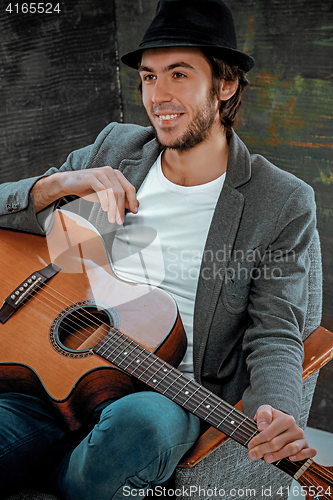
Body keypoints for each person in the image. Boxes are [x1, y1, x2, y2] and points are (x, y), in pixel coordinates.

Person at [0, 0, 318, 499]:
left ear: (226, 84)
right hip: (52, 373)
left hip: (166, 394)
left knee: (138, 428)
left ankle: (57, 476)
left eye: (178, 74)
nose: (159, 95)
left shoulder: (279, 200)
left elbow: (276, 328)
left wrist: (276, 407)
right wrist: (58, 182)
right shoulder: (114, 150)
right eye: (149, 77)